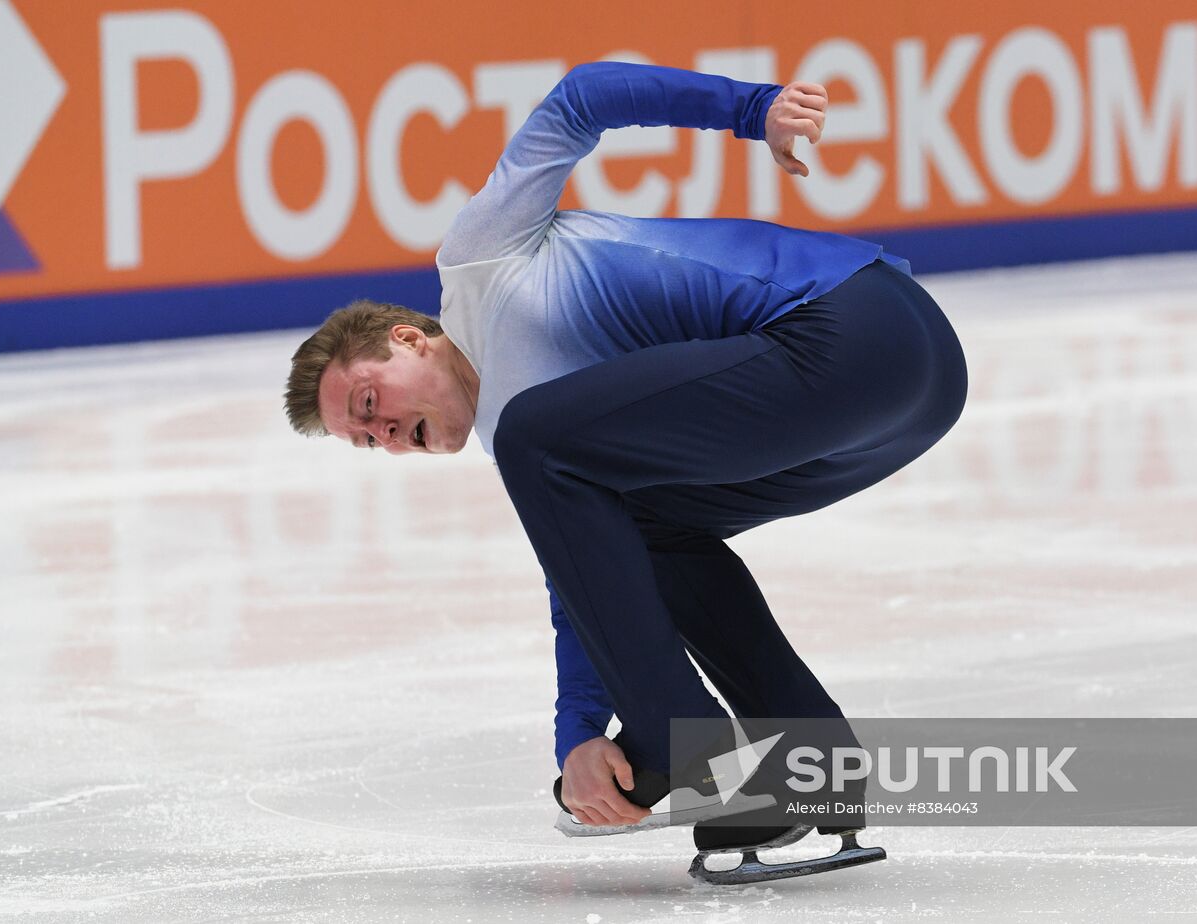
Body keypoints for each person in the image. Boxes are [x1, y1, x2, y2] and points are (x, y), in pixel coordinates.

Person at [284, 61, 966, 882]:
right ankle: (808, 762)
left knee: (552, 453)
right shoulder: (537, 442)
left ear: (405, 338)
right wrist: (577, 734)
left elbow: (586, 96)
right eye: (368, 442)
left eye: (367, 404)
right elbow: (587, 583)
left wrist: (756, 111)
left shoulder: (477, 263)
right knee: (641, 528)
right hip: (906, 399)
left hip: (855, 330)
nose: (386, 435)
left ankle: (678, 737)